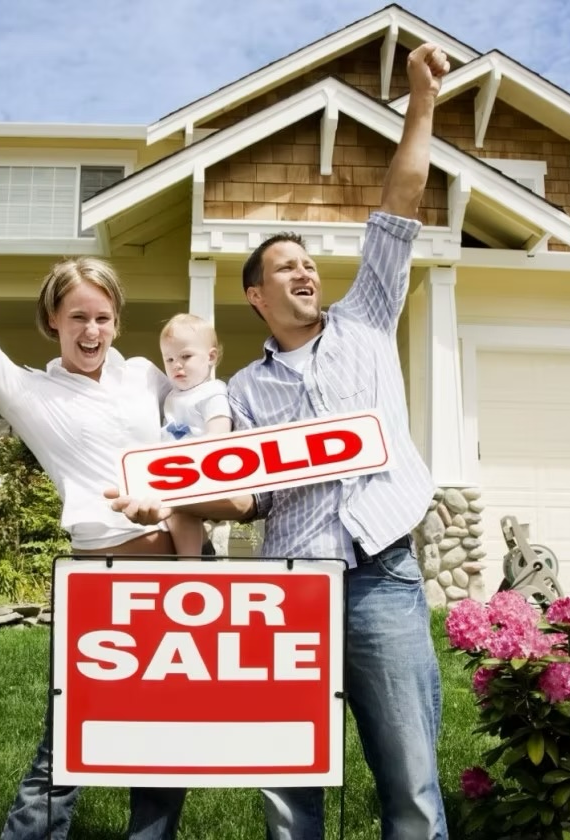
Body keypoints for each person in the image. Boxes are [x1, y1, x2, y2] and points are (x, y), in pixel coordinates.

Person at [109, 42, 451, 840]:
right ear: (256, 296)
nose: (305, 274)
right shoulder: (244, 395)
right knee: (290, 784)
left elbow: (399, 203)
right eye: (286, 268)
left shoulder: (368, 319)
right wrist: (165, 491)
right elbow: (246, 495)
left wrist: (422, 100)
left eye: (309, 264)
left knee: (411, 782)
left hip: (382, 578)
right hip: (291, 592)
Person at [0, 159, 187, 840]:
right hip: (103, 578)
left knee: (170, 736)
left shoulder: (147, 377)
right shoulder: (27, 392)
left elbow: (197, 439)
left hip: (182, 575)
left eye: (102, 317)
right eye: (76, 319)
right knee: (71, 736)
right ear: (52, 322)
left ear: (117, 320)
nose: (91, 332)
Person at [159, 313, 232, 557]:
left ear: (210, 357)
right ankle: (202, 551)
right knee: (170, 519)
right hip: (172, 473)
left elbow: (219, 432)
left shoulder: (212, 392)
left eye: (185, 356)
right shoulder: (171, 395)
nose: (176, 365)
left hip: (201, 471)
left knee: (181, 514)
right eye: (169, 359)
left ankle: (191, 565)